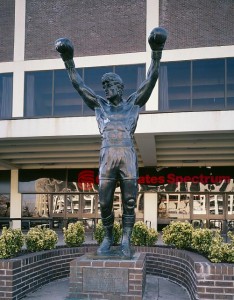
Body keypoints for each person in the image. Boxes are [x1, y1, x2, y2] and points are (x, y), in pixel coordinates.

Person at [55, 27, 167, 257]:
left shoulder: (133, 103)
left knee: (128, 200)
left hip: (127, 155)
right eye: (104, 86)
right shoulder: (99, 105)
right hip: (107, 156)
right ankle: (108, 236)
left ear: (120, 86)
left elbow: (151, 78)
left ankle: (126, 239)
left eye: (109, 85)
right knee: (104, 202)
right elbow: (79, 86)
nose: (105, 89)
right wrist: (68, 60)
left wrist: (156, 51)